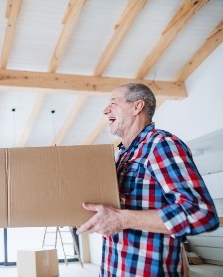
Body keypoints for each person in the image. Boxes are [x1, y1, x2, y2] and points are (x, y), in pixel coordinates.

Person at [77, 83, 219, 276]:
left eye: (113, 102)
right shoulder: (121, 156)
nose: (105, 110)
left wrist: (122, 219)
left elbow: (200, 213)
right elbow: (112, 213)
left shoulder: (161, 145)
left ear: (137, 107)